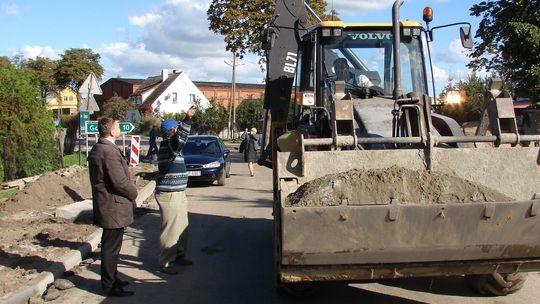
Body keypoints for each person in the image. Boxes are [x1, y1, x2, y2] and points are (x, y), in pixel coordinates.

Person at [88, 117, 138, 298]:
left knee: (112, 247)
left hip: (109, 205)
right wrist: (134, 193)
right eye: (117, 126)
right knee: (111, 248)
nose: (119, 128)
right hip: (113, 207)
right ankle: (109, 286)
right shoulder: (108, 151)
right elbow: (119, 182)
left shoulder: (101, 147)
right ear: (110, 131)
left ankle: (113, 278)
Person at [154, 106, 196, 275]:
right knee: (171, 230)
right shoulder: (169, 145)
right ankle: (165, 263)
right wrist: (187, 119)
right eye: (176, 128)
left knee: (182, 227)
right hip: (169, 195)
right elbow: (181, 139)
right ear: (171, 131)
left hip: (177, 193)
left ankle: (179, 255)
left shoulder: (172, 146)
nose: (178, 130)